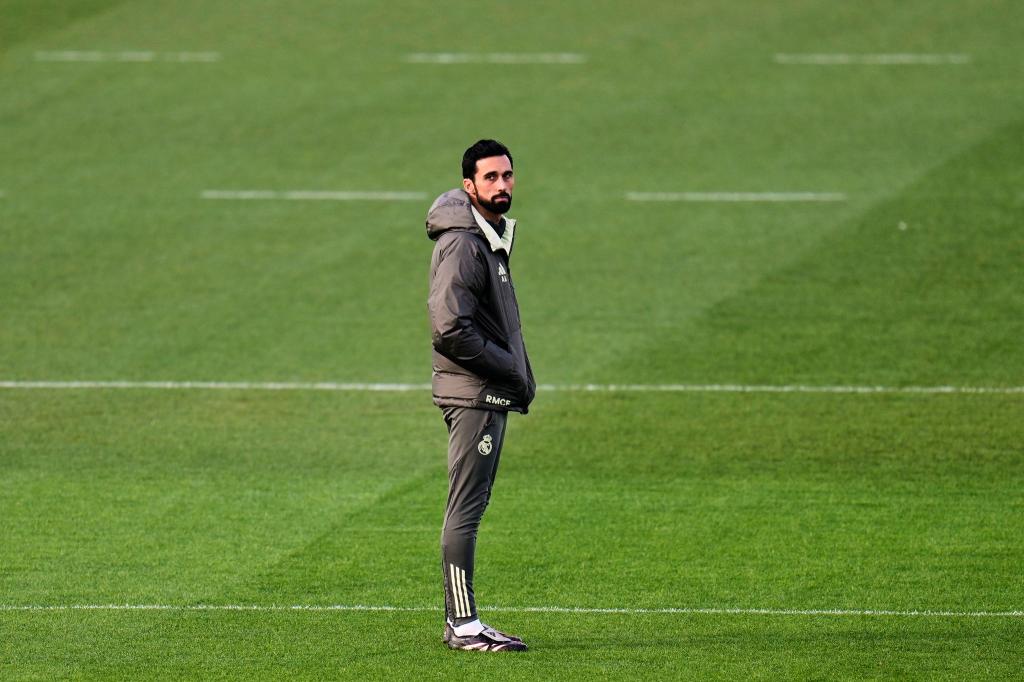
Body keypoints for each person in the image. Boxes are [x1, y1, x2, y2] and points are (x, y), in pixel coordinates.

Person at [425, 139, 536, 652]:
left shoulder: (485, 236)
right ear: (469, 185)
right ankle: (462, 624)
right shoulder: (464, 243)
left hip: (484, 390)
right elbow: (449, 327)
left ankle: (463, 622)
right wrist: (506, 365)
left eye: (507, 176)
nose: (502, 186)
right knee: (465, 507)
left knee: (472, 503)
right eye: (490, 178)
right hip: (475, 394)